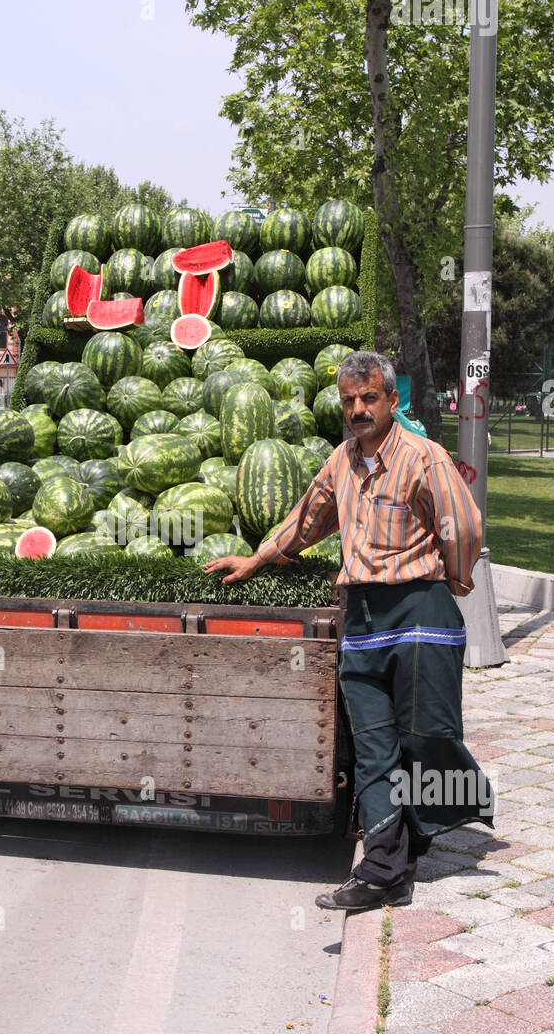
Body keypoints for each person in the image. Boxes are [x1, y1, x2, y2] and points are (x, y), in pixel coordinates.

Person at [204, 351, 493, 913]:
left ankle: (416, 842)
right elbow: (308, 516)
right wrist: (258, 558)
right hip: (360, 620)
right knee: (373, 748)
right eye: (348, 401)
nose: (358, 410)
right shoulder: (341, 461)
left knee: (425, 738)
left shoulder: (423, 458)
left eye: (368, 399)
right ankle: (384, 868)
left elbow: (464, 525)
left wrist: (453, 580)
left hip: (419, 619)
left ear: (391, 400)